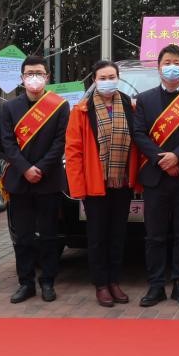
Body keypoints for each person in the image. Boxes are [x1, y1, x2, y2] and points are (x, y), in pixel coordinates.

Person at [132, 44, 179, 307]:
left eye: (176, 62)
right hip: (155, 177)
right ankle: (156, 285)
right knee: (154, 235)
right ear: (159, 67)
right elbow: (139, 134)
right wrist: (161, 159)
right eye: (167, 62)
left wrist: (177, 156)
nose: (171, 67)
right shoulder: (145, 99)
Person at [66, 60, 141, 308]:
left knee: (118, 234)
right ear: (94, 80)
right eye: (103, 77)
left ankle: (114, 281)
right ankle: (101, 284)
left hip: (122, 182)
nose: (108, 81)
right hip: (94, 184)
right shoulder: (81, 110)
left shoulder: (131, 106)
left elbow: (139, 143)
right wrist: (77, 187)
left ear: (118, 78)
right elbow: (73, 151)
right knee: (97, 236)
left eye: (111, 77)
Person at [0, 55, 68, 303]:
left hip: (48, 180)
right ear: (22, 78)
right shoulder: (9, 108)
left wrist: (40, 167)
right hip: (20, 181)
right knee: (23, 237)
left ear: (47, 77)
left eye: (39, 73)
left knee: (49, 236)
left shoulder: (59, 106)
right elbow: (7, 143)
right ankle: (25, 283)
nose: (34, 78)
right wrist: (25, 168)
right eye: (29, 73)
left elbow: (60, 142)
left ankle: (48, 281)